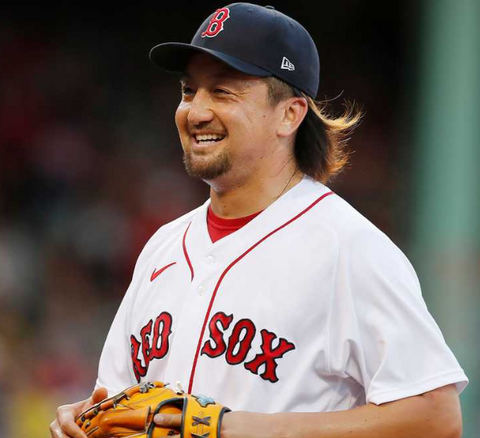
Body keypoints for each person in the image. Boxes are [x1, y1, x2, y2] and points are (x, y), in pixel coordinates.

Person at [50, 3, 468, 438]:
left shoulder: (349, 248)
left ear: (290, 114)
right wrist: (87, 423)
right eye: (189, 90)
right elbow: (119, 403)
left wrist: (237, 428)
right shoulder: (163, 246)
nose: (195, 111)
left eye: (224, 91)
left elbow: (437, 418)